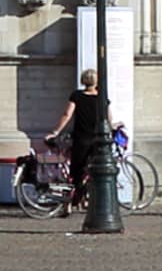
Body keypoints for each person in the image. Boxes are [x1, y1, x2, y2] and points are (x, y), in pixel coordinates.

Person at [46, 67, 114, 220]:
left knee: (75, 172)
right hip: (98, 140)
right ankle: (89, 200)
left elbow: (67, 114)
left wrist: (55, 132)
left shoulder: (77, 96)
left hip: (81, 139)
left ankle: (69, 204)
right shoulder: (102, 97)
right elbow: (109, 118)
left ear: (83, 81)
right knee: (97, 171)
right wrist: (113, 129)